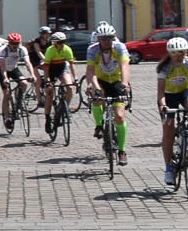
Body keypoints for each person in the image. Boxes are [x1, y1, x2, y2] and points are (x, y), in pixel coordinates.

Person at [156, 36, 188, 185]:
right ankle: (168, 168)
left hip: (186, 90)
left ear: (186, 52)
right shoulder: (164, 67)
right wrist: (163, 105)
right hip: (168, 95)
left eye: (182, 52)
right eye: (175, 53)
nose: (179, 56)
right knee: (168, 130)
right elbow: (160, 92)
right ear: (170, 53)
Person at [81, 23, 132, 160]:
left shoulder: (119, 47)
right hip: (101, 80)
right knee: (96, 99)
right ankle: (99, 125)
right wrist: (96, 87)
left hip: (116, 81)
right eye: (103, 39)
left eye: (109, 38)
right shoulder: (93, 49)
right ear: (98, 39)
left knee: (119, 116)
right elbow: (90, 70)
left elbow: (124, 66)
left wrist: (124, 84)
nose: (107, 41)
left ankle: (122, 151)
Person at [0, 33, 36, 132]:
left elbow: (28, 63)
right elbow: (2, 66)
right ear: (9, 43)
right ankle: (7, 117)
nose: (15, 45)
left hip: (13, 68)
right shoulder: (3, 50)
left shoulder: (22, 49)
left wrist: (32, 74)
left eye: (17, 43)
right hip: (3, 70)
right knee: (7, 94)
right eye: (13, 43)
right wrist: (5, 78)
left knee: (24, 83)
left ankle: (18, 102)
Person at [39, 31, 78, 120]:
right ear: (55, 43)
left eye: (63, 42)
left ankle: (63, 108)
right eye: (60, 42)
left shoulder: (67, 49)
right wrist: (47, 80)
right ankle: (47, 117)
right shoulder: (50, 50)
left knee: (70, 88)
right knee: (49, 93)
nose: (62, 44)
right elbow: (46, 68)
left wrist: (75, 78)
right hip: (51, 70)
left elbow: (72, 65)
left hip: (62, 68)